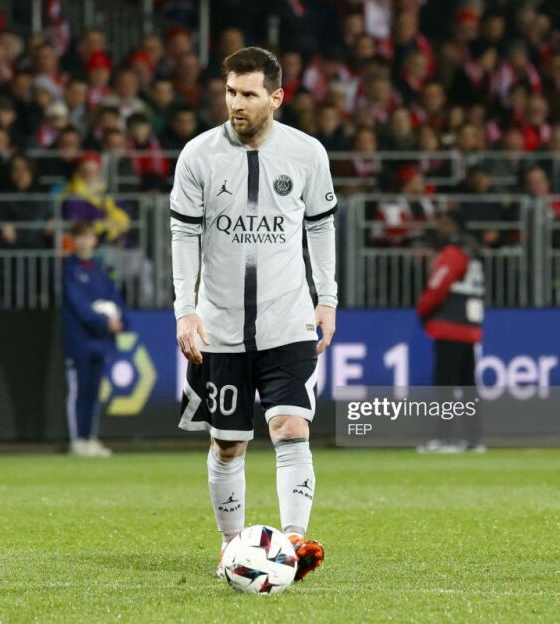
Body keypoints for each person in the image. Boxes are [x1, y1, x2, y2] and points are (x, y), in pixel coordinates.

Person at [170, 47, 336, 582]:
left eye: (248, 94)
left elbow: (321, 227)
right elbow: (183, 234)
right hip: (220, 324)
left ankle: (295, 542)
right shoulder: (198, 155)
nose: (235, 103)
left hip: (287, 318)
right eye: (230, 92)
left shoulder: (307, 154)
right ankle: (231, 548)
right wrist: (186, 310)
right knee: (229, 443)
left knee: (291, 426)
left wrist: (327, 299)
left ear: (276, 97)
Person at [415, 210, 485, 453]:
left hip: (450, 326)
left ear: (455, 226)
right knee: (468, 386)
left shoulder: (453, 253)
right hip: (470, 327)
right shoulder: (473, 253)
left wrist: (423, 311)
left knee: (444, 386)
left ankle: (442, 438)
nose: (439, 227)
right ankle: (474, 439)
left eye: (444, 223)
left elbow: (437, 287)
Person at [62, 220, 124, 458]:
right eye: (80, 236)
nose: (84, 241)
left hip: (101, 342)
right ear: (73, 240)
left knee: (94, 392)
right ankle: (78, 440)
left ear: (94, 240)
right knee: (79, 391)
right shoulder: (70, 269)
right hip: (79, 341)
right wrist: (104, 322)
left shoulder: (100, 268)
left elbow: (114, 297)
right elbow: (79, 306)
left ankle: (90, 438)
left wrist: (119, 319)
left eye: (88, 236)